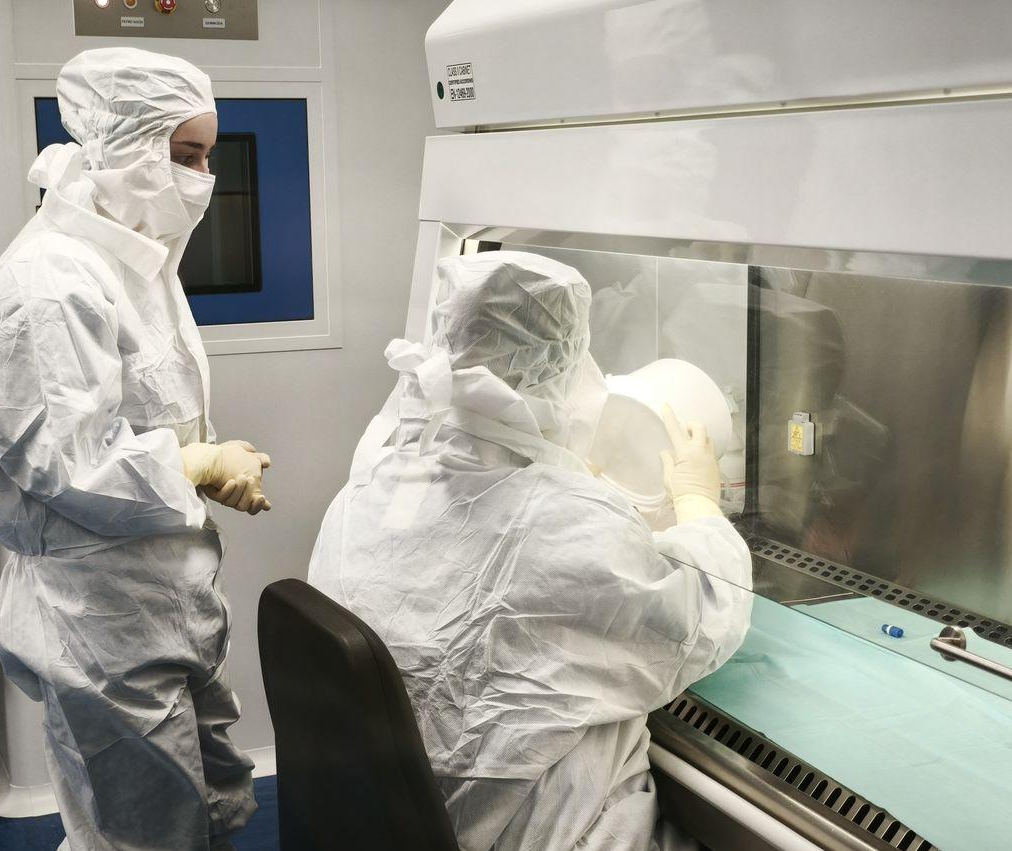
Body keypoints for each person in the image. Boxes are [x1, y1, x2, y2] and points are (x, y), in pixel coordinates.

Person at [0, 48, 266, 850]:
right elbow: (63, 459)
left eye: (207, 156)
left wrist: (200, 454)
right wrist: (193, 466)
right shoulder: (55, 275)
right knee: (138, 829)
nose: (202, 177)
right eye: (185, 156)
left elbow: (137, 406)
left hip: (159, 593)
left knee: (202, 800)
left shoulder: (133, 257)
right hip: (103, 610)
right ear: (125, 144)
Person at [308, 251, 752, 850]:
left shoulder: (375, 480)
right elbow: (702, 620)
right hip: (528, 831)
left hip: (397, 822)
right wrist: (699, 501)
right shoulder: (563, 521)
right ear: (565, 361)